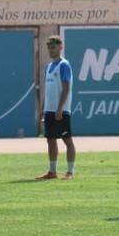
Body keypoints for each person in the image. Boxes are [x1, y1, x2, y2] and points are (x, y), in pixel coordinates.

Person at [36, 35, 76, 180]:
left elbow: (66, 88)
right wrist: (42, 109)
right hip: (49, 110)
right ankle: (52, 171)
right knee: (50, 140)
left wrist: (60, 108)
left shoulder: (64, 65)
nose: (51, 50)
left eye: (53, 47)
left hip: (61, 110)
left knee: (67, 140)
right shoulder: (48, 67)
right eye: (49, 48)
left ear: (60, 47)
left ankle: (70, 171)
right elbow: (47, 90)